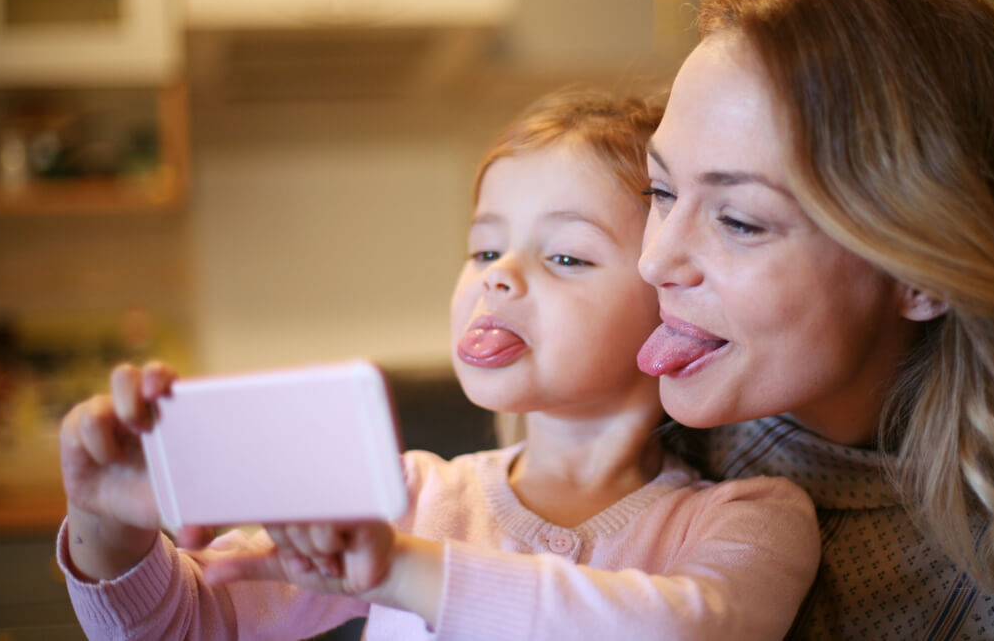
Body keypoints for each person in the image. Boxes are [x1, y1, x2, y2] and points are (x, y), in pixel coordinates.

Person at [56, 91, 820, 640]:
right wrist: (107, 523)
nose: (497, 276)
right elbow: (191, 623)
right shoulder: (404, 496)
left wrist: (395, 571)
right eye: (486, 249)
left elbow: (683, 630)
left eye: (565, 255)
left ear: (668, 297)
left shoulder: (751, 520)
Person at [634, 0, 994, 640]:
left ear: (924, 274)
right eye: (661, 192)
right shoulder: (623, 447)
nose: (654, 261)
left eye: (740, 221)